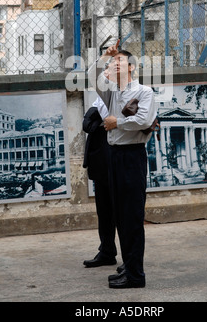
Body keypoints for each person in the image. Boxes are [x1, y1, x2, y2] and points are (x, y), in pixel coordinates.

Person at [89, 40, 157, 289]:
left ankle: (136, 275)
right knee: (119, 215)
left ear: (131, 68)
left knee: (132, 217)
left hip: (132, 157)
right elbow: (94, 78)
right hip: (114, 156)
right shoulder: (113, 93)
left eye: (118, 61)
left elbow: (143, 119)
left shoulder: (144, 92)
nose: (113, 64)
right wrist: (103, 56)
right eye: (112, 62)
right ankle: (128, 268)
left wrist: (116, 122)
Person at [82, 64, 118, 268]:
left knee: (117, 210)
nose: (105, 74)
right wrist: (102, 124)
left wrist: (99, 124)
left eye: (110, 71)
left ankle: (128, 259)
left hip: (112, 160)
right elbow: (86, 123)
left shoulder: (119, 96)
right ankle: (106, 251)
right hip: (99, 162)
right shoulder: (101, 100)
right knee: (104, 211)